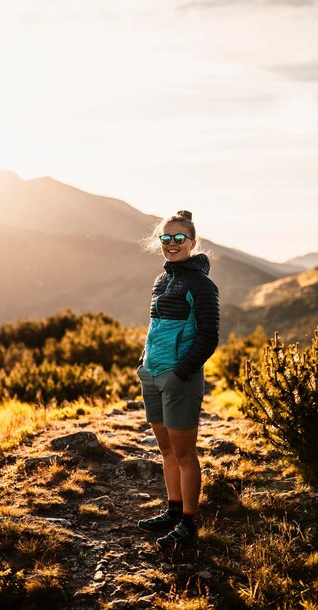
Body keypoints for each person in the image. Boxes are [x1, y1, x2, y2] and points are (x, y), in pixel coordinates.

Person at [136, 210, 220, 551]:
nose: (171, 244)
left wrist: (180, 373)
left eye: (178, 239)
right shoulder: (162, 279)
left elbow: (209, 337)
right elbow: (156, 326)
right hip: (152, 376)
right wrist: (143, 363)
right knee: (166, 449)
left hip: (178, 379)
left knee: (185, 454)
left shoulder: (202, 284)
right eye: (165, 239)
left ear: (192, 242)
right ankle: (172, 510)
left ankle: (188, 523)